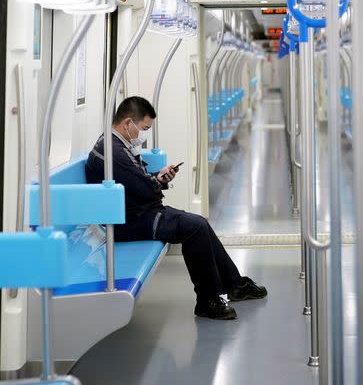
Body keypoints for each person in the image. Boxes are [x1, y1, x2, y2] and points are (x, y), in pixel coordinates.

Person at [85, 96, 267, 320]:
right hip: (125, 222)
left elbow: (138, 182)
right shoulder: (113, 152)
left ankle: (234, 284)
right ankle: (207, 300)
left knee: (200, 223)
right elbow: (145, 188)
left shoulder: (116, 145)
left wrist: (157, 179)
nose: (144, 135)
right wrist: (155, 182)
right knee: (194, 227)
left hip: (135, 211)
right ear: (127, 123)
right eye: (143, 128)